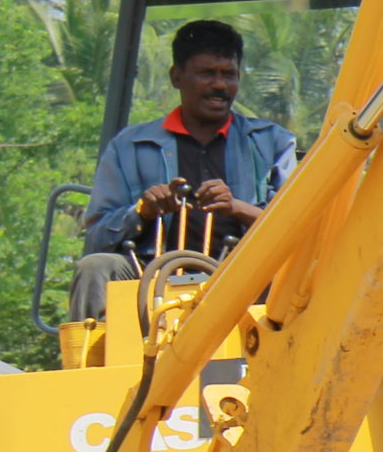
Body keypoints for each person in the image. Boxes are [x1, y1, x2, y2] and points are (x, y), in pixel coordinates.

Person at [67, 19, 297, 321]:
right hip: (149, 275)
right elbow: (96, 236)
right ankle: (94, 364)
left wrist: (237, 208)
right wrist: (142, 211)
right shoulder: (129, 145)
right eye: (206, 74)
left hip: (242, 276)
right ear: (177, 76)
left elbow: (299, 225)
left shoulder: (272, 143)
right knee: (95, 267)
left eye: (228, 75)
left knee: (295, 274)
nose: (219, 85)